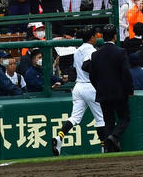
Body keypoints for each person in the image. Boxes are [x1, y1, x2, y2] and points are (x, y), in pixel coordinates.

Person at [53, 27, 105, 155]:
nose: (97, 38)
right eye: (95, 36)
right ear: (92, 37)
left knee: (75, 117)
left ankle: (60, 136)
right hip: (90, 86)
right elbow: (88, 68)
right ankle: (105, 148)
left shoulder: (77, 51)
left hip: (78, 87)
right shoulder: (93, 51)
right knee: (100, 119)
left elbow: (76, 69)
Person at [90, 24, 133, 152]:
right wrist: (129, 90)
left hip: (103, 93)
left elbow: (92, 76)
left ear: (102, 37)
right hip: (119, 92)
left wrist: (99, 87)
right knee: (124, 118)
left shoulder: (96, 54)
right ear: (115, 37)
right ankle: (114, 137)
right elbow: (126, 74)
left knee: (108, 121)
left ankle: (109, 149)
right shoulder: (120, 52)